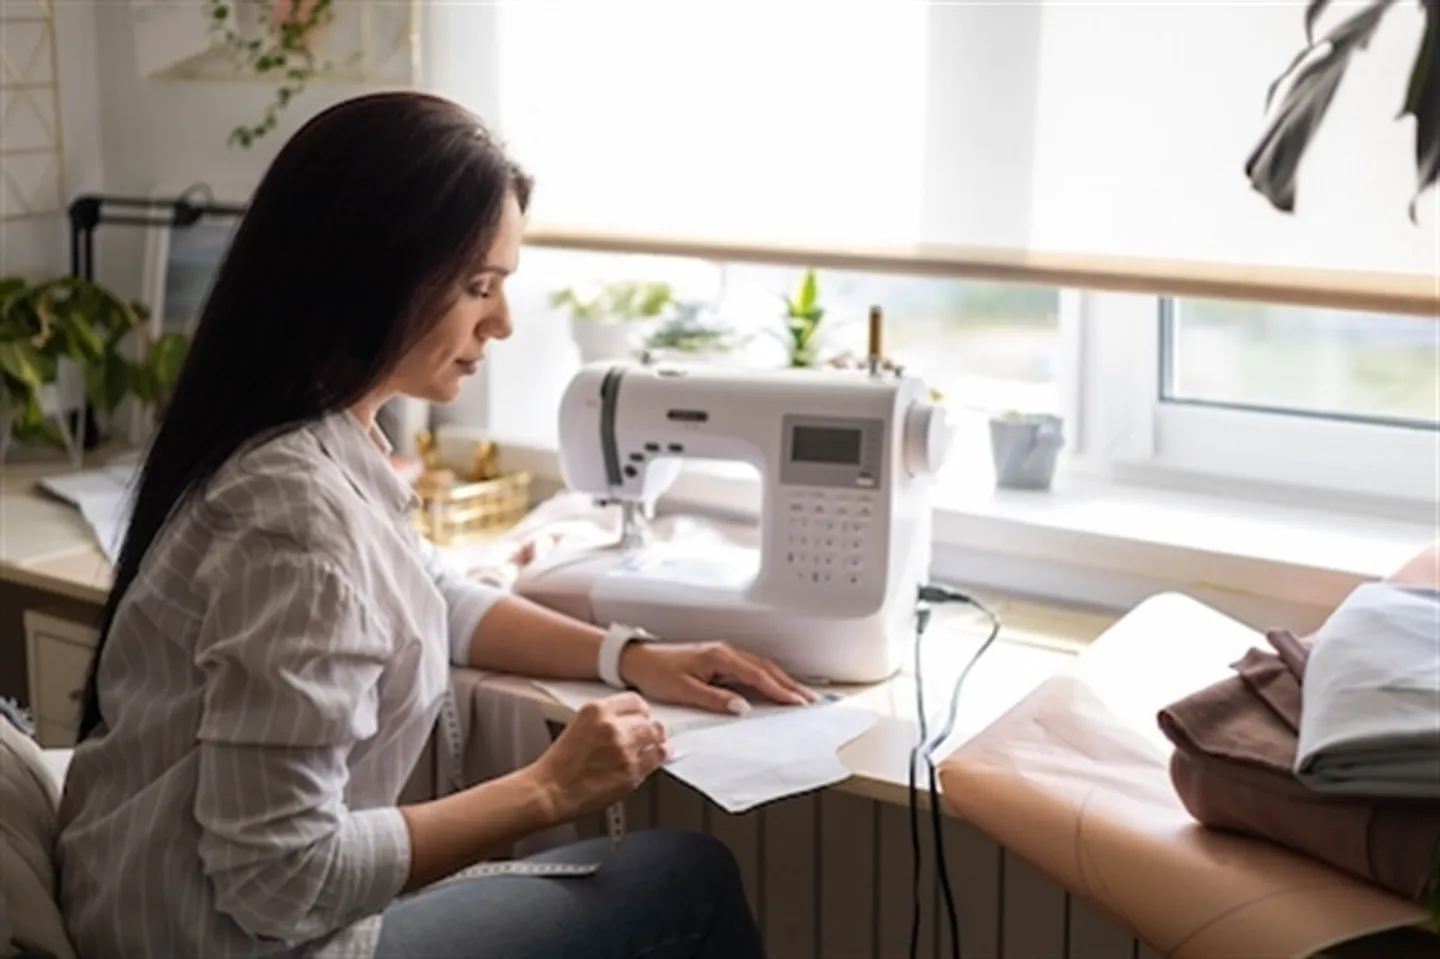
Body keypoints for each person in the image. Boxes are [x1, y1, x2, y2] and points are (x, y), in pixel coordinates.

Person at [55, 91, 803, 959]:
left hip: (160, 908)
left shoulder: (310, 434)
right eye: (479, 285)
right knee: (687, 881)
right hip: (227, 942)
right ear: (375, 273)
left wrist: (627, 655)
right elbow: (280, 878)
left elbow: (424, 592)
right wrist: (548, 788)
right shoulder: (296, 520)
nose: (504, 321)